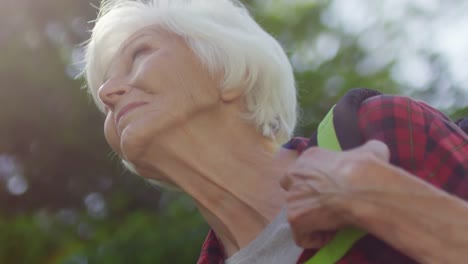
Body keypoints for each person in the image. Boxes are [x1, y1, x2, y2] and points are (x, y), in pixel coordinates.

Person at [82, 0, 468, 263]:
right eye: (103, 95)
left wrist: (383, 200)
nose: (107, 93)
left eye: (140, 54)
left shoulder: (379, 133)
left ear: (228, 71)